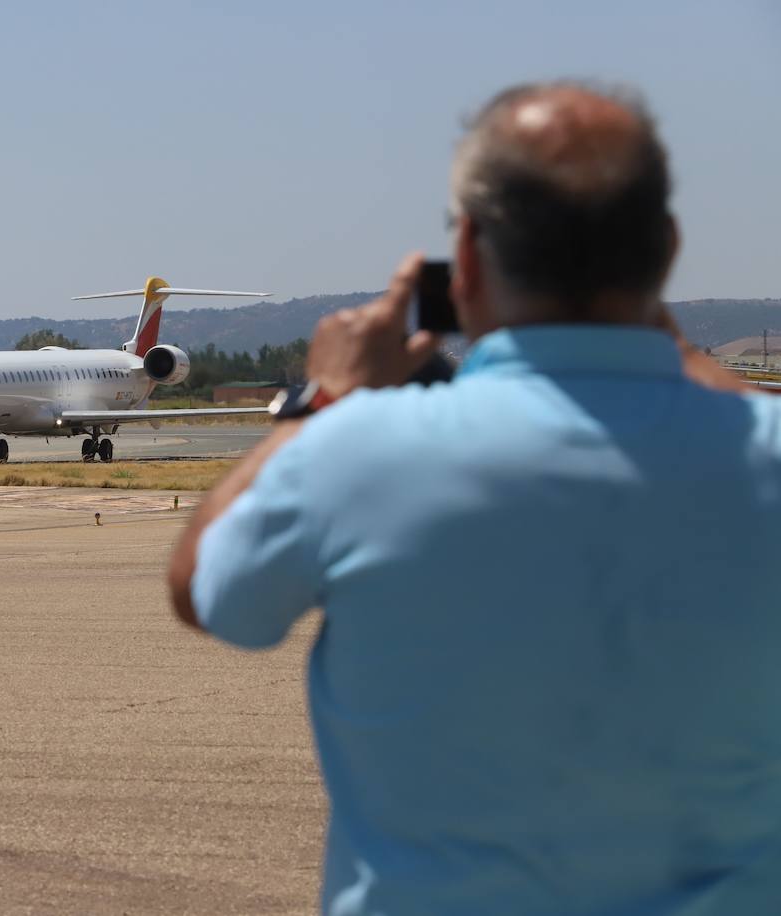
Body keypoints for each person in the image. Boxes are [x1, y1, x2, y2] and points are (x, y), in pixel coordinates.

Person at [168, 81, 781, 914]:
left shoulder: (359, 451)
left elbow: (204, 589)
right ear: (666, 248)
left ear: (466, 255)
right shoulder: (761, 453)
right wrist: (664, 338)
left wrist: (322, 400)